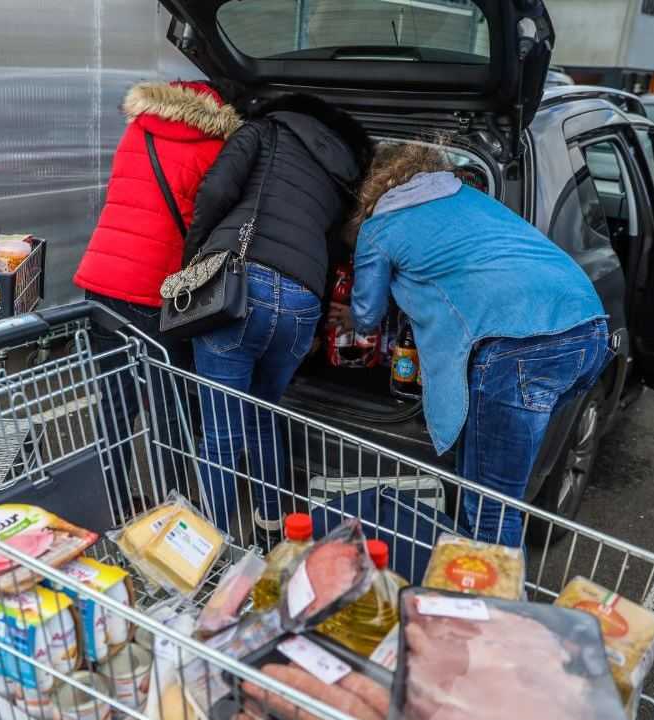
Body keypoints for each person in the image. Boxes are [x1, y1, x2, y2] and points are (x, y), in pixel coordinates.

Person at [344, 143, 610, 546]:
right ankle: (468, 580)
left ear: (374, 186)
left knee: (491, 509)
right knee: (486, 481)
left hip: (521, 348)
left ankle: (496, 605)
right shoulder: (472, 199)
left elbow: (366, 316)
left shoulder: (381, 228)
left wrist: (351, 314)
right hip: (588, 330)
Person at [182, 94, 369, 535]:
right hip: (302, 302)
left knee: (223, 435)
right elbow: (339, 245)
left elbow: (215, 190)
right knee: (265, 411)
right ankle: (274, 526)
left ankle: (210, 551)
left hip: (237, 288)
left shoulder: (262, 130)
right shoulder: (340, 173)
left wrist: (195, 261)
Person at [74, 81, 241, 511]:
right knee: (168, 403)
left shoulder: (138, 132)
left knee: (115, 398)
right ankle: (172, 505)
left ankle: (113, 499)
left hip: (101, 279)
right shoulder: (214, 149)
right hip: (154, 287)